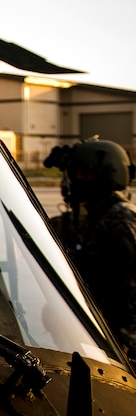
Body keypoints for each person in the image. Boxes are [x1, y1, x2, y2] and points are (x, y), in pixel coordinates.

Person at [55, 139, 136, 363]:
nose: (76, 181)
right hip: (104, 331)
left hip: (124, 338)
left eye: (85, 174)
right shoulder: (95, 216)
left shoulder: (121, 218)